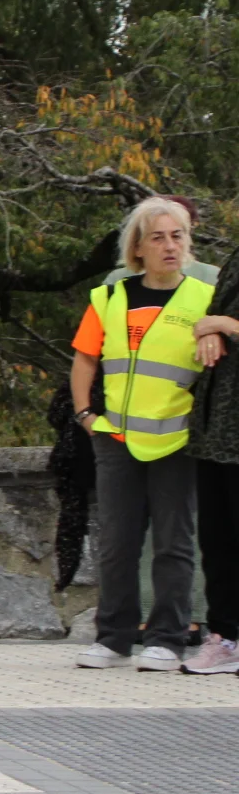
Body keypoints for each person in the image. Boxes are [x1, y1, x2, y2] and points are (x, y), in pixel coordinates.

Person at [70, 197, 212, 670]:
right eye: (158, 238)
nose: (170, 246)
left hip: (177, 439)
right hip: (115, 438)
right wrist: (85, 414)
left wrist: (217, 326)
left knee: (174, 544)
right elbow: (85, 359)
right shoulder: (109, 297)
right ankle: (113, 638)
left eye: (178, 236)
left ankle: (168, 640)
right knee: (117, 543)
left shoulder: (205, 299)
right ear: (137, 248)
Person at [185, 244, 239, 674]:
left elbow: (219, 320)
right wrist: (210, 330)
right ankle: (224, 636)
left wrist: (222, 324)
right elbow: (210, 319)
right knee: (217, 540)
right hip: (217, 427)